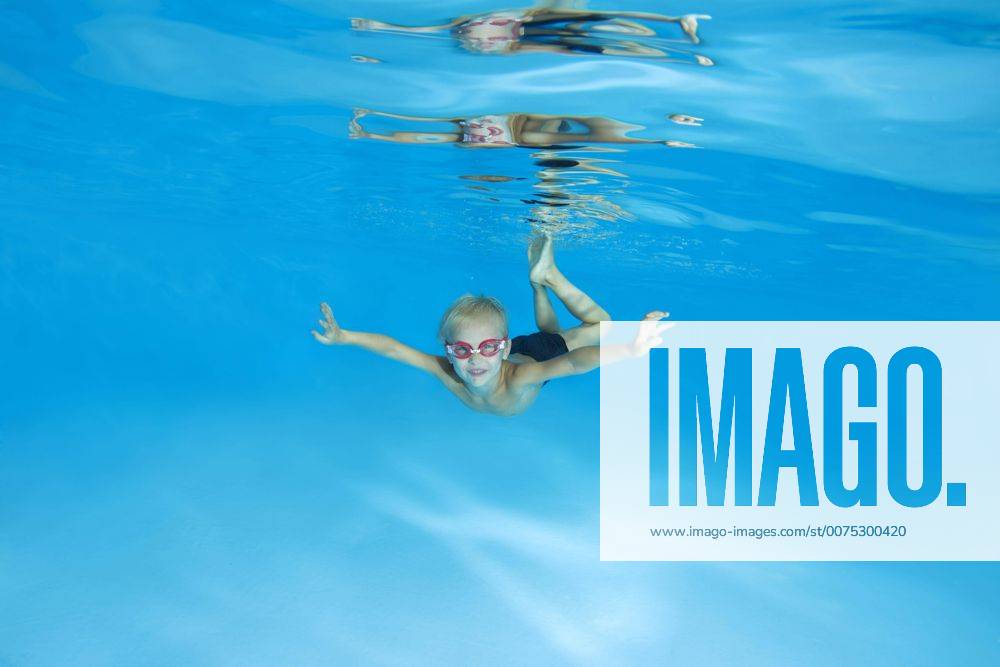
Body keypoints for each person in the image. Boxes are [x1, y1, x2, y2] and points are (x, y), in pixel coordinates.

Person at [311, 236, 670, 416]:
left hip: (537, 355)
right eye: (463, 350)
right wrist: (345, 336)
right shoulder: (448, 370)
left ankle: (549, 277)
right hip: (523, 347)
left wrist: (630, 350)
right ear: (449, 352)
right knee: (553, 332)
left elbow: (574, 363)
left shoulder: (519, 378)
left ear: (503, 347)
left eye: (486, 349)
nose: (475, 359)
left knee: (597, 325)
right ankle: (538, 281)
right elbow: (393, 348)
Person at [351, 4, 712, 59]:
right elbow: (418, 31)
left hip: (525, 27)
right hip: (524, 36)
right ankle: (667, 41)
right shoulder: (460, 29)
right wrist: (378, 28)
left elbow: (418, 30)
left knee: (594, 25)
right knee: (589, 40)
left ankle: (673, 24)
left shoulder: (459, 25)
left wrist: (378, 27)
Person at [350, 109, 697, 149]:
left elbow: (423, 129)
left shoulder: (466, 130)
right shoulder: (527, 135)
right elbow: (421, 128)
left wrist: (373, 128)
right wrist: (661, 137)